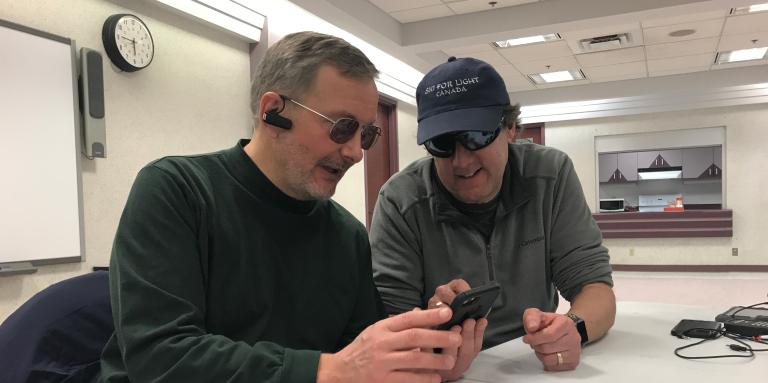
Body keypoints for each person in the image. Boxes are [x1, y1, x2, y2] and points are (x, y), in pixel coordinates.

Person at [97, 32, 474, 383]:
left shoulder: (346, 235)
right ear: (273, 111)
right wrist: (325, 369)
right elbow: (161, 357)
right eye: (342, 127)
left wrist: (428, 358)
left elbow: (359, 352)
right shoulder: (177, 191)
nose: (355, 153)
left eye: (366, 134)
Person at [370, 56, 616, 372]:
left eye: (475, 137)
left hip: (531, 362)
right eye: (441, 144)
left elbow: (594, 287)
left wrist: (573, 328)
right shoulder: (400, 201)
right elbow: (389, 320)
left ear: (510, 127)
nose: (461, 161)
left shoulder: (550, 175)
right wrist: (431, 332)